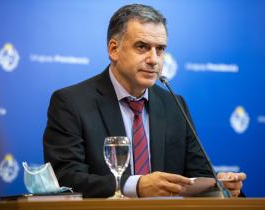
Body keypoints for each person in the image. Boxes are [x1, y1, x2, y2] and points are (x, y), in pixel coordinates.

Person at [43, 4, 246, 198]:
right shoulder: (71, 102)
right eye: (142, 47)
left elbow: (197, 173)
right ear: (114, 49)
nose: (154, 59)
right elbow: (66, 179)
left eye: (160, 49)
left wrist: (218, 186)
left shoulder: (174, 104)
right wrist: (136, 186)